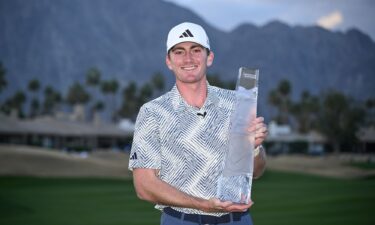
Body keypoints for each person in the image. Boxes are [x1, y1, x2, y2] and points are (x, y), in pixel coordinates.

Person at [128, 22, 268, 225]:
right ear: (168, 61)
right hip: (181, 220)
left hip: (237, 220)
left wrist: (254, 148)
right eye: (179, 52)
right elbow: (144, 186)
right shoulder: (153, 112)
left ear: (209, 57)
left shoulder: (238, 103)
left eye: (196, 50)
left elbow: (257, 171)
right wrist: (203, 204)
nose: (188, 59)